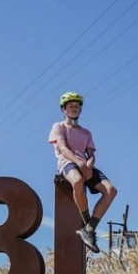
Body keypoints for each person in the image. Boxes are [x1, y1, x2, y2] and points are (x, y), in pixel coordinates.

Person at [49, 91, 117, 253]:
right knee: (78, 181)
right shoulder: (59, 126)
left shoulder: (86, 132)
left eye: (77, 105)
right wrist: (79, 162)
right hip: (68, 163)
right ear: (64, 109)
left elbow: (91, 153)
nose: (74, 108)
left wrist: (89, 163)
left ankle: (89, 228)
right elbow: (63, 148)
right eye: (71, 105)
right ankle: (86, 221)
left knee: (111, 191)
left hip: (86, 165)